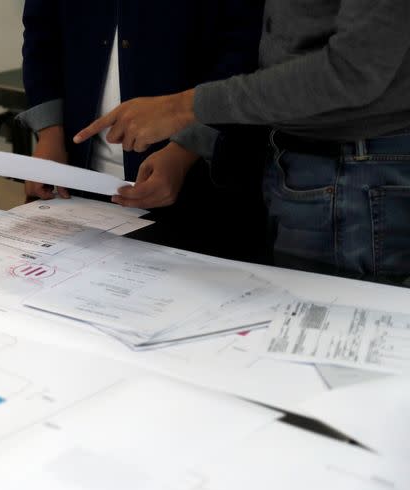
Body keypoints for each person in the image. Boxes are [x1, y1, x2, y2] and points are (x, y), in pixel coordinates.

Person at [74, 0, 410, 284]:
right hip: (300, 163)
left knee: (330, 343)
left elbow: (354, 70)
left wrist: (184, 109)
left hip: (355, 174)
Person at [18, 0, 268, 262]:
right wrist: (49, 133)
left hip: (202, 193)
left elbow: (244, 51)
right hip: (79, 185)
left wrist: (185, 149)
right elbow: (40, 34)